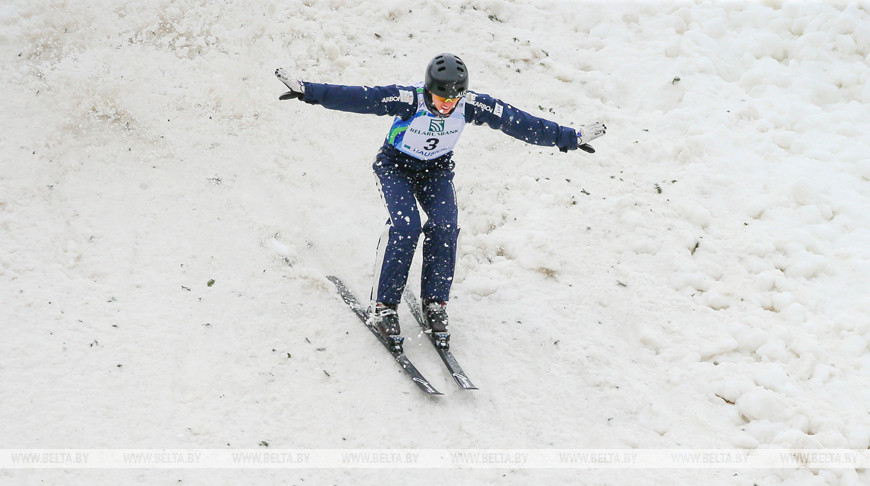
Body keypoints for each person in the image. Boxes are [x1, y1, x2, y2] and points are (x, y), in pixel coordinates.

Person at [275, 53, 606, 351]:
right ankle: (384, 307)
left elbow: (518, 122)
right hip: (396, 168)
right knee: (407, 227)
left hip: (435, 171)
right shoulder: (409, 98)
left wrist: (570, 138)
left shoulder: (472, 104)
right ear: (428, 89)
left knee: (445, 226)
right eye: (440, 97)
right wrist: (308, 91)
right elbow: (362, 98)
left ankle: (435, 303)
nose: (447, 104)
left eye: (453, 98)